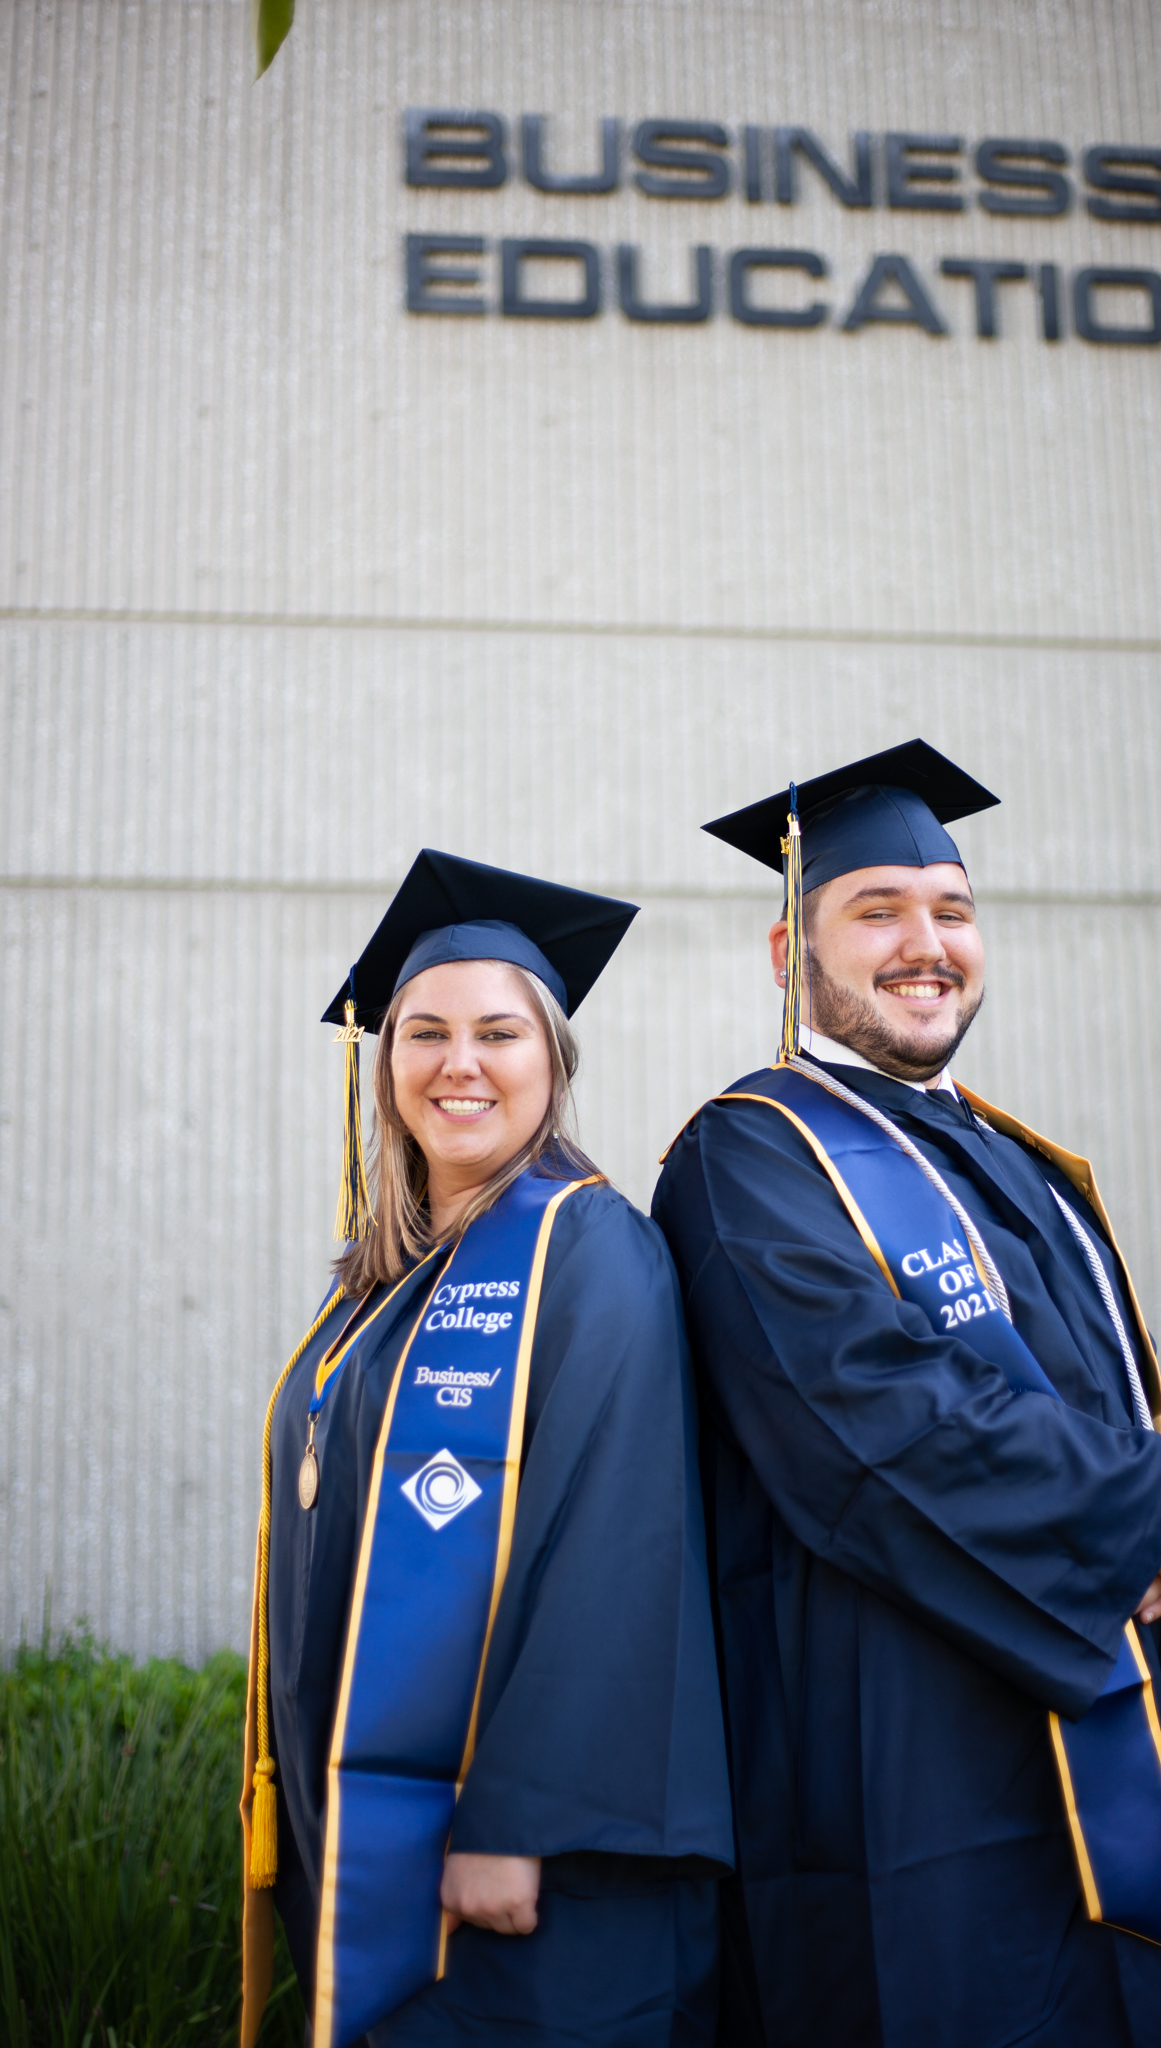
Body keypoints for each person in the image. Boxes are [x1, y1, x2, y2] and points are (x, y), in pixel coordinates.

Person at [651, 741, 1161, 2048]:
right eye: (876, 910)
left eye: (953, 911)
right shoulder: (750, 1156)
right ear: (785, 955)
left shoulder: (1021, 1158)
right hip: (908, 1774)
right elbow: (866, 1420)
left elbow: (1126, 1387)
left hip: (1113, 1743)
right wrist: (1146, 1515)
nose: (926, 941)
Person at [240, 850, 732, 2048]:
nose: (460, 1063)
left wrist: (515, 1817)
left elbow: (618, 1541)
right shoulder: (371, 1292)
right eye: (425, 1031)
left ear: (553, 1063)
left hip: (526, 1861)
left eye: (499, 1032)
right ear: (386, 1059)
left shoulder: (594, 1249)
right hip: (366, 1828)